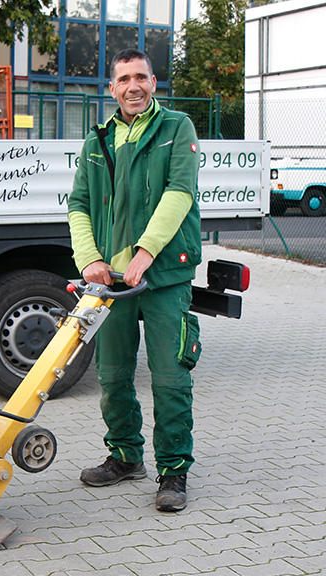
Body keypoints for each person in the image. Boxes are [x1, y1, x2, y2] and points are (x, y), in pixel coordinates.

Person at [67, 48, 202, 512]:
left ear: (154, 81)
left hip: (162, 276)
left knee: (169, 378)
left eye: (141, 77)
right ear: (112, 88)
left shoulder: (175, 128)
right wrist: (88, 260)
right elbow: (79, 206)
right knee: (113, 375)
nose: (133, 86)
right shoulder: (96, 141)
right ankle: (125, 456)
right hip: (111, 285)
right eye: (124, 79)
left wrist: (147, 251)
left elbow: (180, 193)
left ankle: (173, 472)